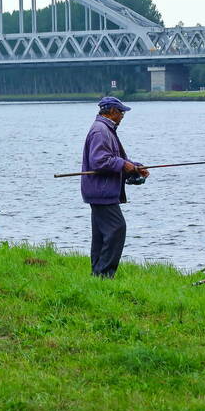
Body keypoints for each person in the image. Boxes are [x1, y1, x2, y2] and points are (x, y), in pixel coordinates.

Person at [80, 96, 149, 278]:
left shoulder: (105, 129)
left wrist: (134, 166)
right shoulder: (101, 131)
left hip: (100, 191)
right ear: (111, 111)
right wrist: (123, 165)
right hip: (101, 192)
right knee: (117, 228)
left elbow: (114, 159)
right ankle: (104, 274)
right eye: (120, 112)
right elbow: (99, 161)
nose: (123, 115)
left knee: (101, 235)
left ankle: (98, 275)